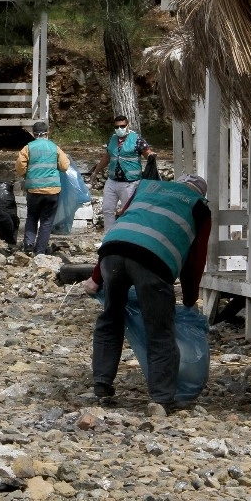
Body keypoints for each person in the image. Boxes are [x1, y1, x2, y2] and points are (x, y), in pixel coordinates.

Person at [82, 174, 211, 415]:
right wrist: (190, 300)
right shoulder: (199, 207)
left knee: (111, 319)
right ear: (200, 193)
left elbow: (126, 225)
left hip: (112, 251)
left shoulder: (147, 186)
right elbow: (195, 260)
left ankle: (101, 386)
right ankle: (161, 399)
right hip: (152, 262)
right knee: (159, 329)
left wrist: (95, 278)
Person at [90, 115, 156, 230]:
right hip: (112, 180)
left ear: (127, 125)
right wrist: (96, 172)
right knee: (107, 209)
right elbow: (107, 157)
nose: (119, 128)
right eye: (117, 127)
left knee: (128, 211)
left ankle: (128, 236)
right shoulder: (112, 139)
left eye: (122, 126)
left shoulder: (136, 139)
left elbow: (147, 153)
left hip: (129, 182)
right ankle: (109, 236)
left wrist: (151, 155)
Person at [16, 120, 70, 255]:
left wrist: (27, 174)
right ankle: (40, 250)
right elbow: (64, 166)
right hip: (52, 191)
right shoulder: (54, 147)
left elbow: (20, 168)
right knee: (46, 222)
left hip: (34, 190)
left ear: (33, 134)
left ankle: (28, 244)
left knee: (32, 217)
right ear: (47, 133)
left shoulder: (27, 148)